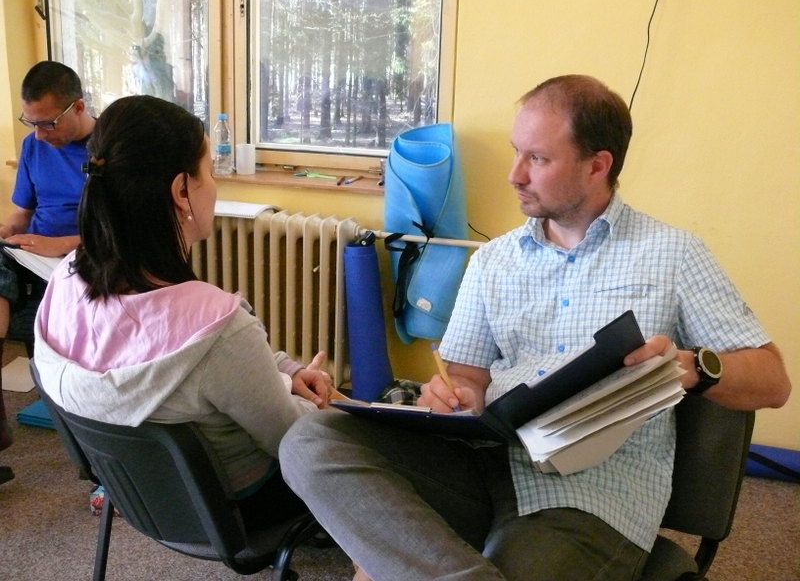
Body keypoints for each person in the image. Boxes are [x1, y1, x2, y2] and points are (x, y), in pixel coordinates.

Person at [279, 74, 792, 581]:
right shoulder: (494, 260)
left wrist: (691, 367)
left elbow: (773, 381)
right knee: (313, 440)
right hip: (483, 463)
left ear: (597, 165)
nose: (514, 175)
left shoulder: (673, 254)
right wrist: (454, 394)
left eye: (538, 159)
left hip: (591, 495)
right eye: (516, 152)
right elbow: (467, 379)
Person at [33, 94, 335, 526]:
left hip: (134, 494)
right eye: (209, 171)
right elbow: (290, 439)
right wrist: (320, 404)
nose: (214, 185)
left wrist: (284, 371)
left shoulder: (64, 279)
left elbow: (216, 365)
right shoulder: (221, 328)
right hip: (234, 510)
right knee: (349, 439)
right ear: (180, 191)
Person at [0, 61, 94, 482]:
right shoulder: (34, 146)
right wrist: (7, 230)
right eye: (31, 123)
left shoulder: (111, 148)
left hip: (87, 257)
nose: (39, 134)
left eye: (47, 123)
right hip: (34, 256)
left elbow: (125, 230)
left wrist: (64, 244)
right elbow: (22, 214)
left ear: (78, 107)